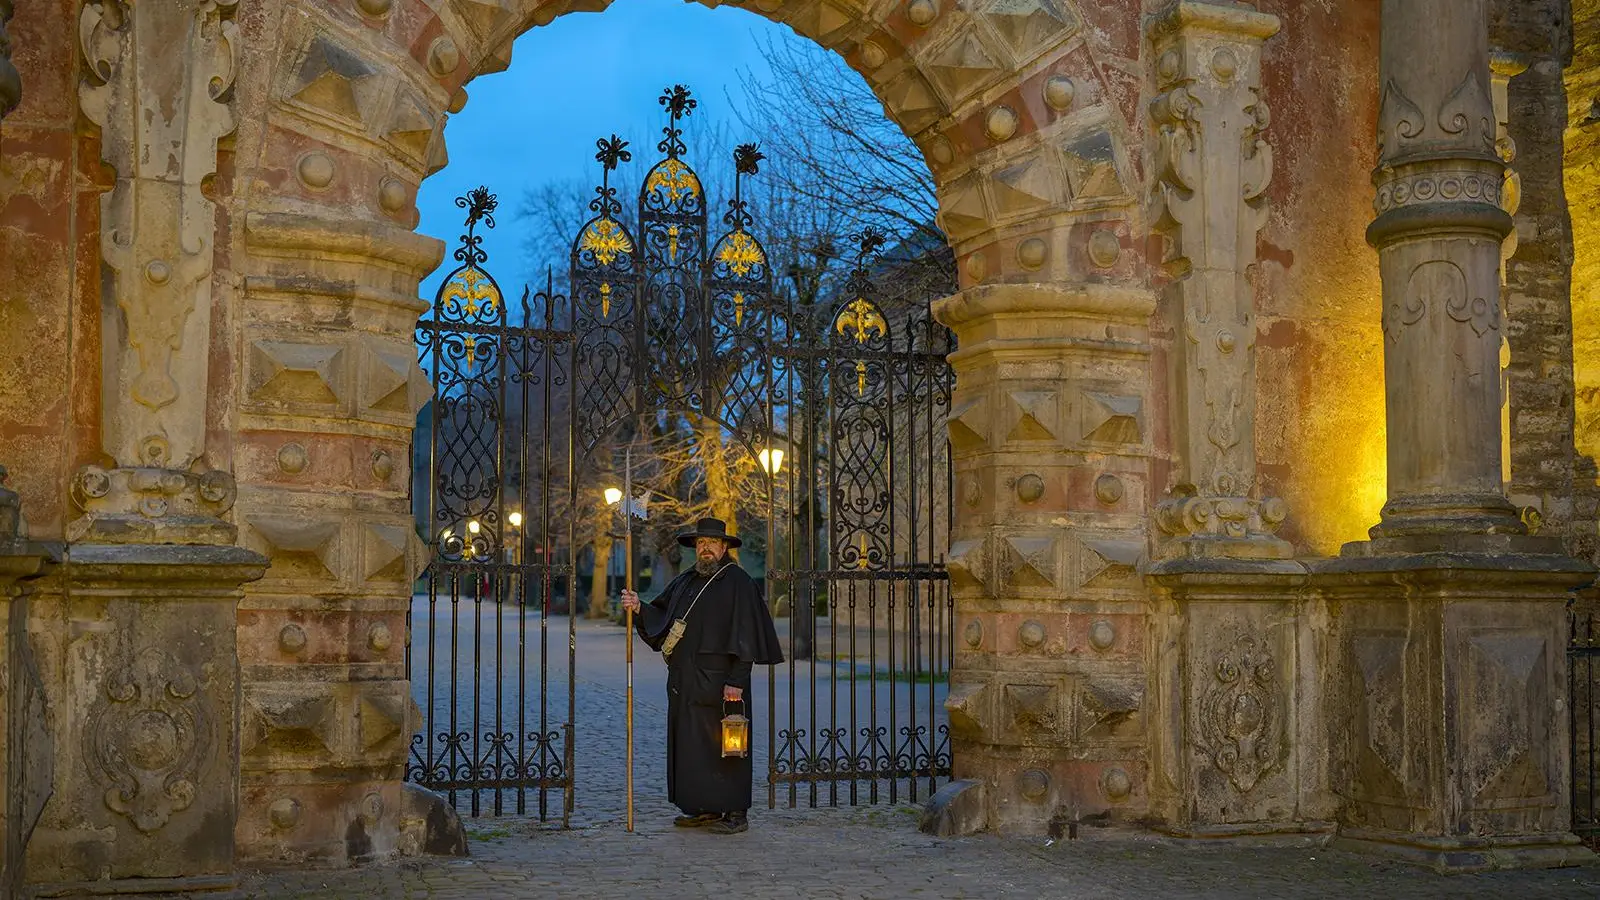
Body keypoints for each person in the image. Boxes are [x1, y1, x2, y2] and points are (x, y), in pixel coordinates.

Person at [620, 516, 783, 835]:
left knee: (727, 747)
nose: (706, 548)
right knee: (694, 748)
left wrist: (737, 680)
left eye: (712, 543)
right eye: (701, 544)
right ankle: (706, 807)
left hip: (723, 684)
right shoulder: (685, 580)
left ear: (724, 547)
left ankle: (736, 812)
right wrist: (639, 607)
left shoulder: (739, 582)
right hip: (686, 683)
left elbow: (746, 634)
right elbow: (661, 615)